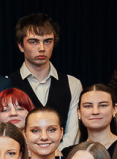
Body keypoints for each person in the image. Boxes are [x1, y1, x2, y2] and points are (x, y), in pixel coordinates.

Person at [8, 14, 81, 146]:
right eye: (33, 42)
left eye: (47, 41)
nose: (42, 48)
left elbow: (73, 133)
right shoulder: (6, 83)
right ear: (21, 46)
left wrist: (56, 156)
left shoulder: (72, 83)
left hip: (63, 157)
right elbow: (7, 131)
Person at [77, 83, 117, 149]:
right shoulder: (69, 153)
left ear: (114, 109)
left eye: (102, 105)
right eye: (88, 106)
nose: (95, 112)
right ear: (79, 112)